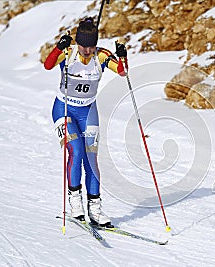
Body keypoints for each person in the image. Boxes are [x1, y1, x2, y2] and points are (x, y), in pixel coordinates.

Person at [44, 17, 127, 227]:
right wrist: (57, 47)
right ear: (77, 42)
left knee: (91, 157)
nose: (86, 51)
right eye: (83, 46)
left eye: (90, 46)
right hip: (64, 109)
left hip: (88, 110)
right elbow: (47, 65)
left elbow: (123, 72)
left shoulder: (101, 55)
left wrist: (123, 56)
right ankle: (75, 203)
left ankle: (96, 209)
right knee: (76, 151)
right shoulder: (68, 53)